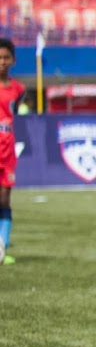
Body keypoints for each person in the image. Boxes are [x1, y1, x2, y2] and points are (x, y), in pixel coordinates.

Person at [0, 38, 24, 265]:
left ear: (13, 60)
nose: (2, 62)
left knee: (5, 199)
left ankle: (3, 248)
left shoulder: (18, 89)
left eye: (6, 58)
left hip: (7, 150)